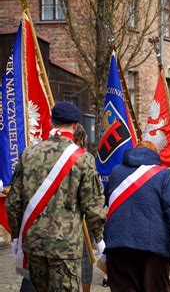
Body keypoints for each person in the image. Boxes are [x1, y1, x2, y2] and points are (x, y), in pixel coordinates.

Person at [6, 102, 106, 291]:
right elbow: (93, 207)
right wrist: (99, 239)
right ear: (76, 126)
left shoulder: (28, 154)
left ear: (51, 122)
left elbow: (13, 202)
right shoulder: (83, 159)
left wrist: (15, 237)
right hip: (65, 247)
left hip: (33, 244)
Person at [104, 140, 170, 292]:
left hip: (118, 245)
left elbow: (107, 202)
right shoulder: (163, 174)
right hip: (152, 248)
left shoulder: (116, 172)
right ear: (154, 155)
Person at [73, 124, 94, 292]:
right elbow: (92, 192)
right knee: (86, 257)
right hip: (84, 214)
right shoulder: (86, 158)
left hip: (63, 216)